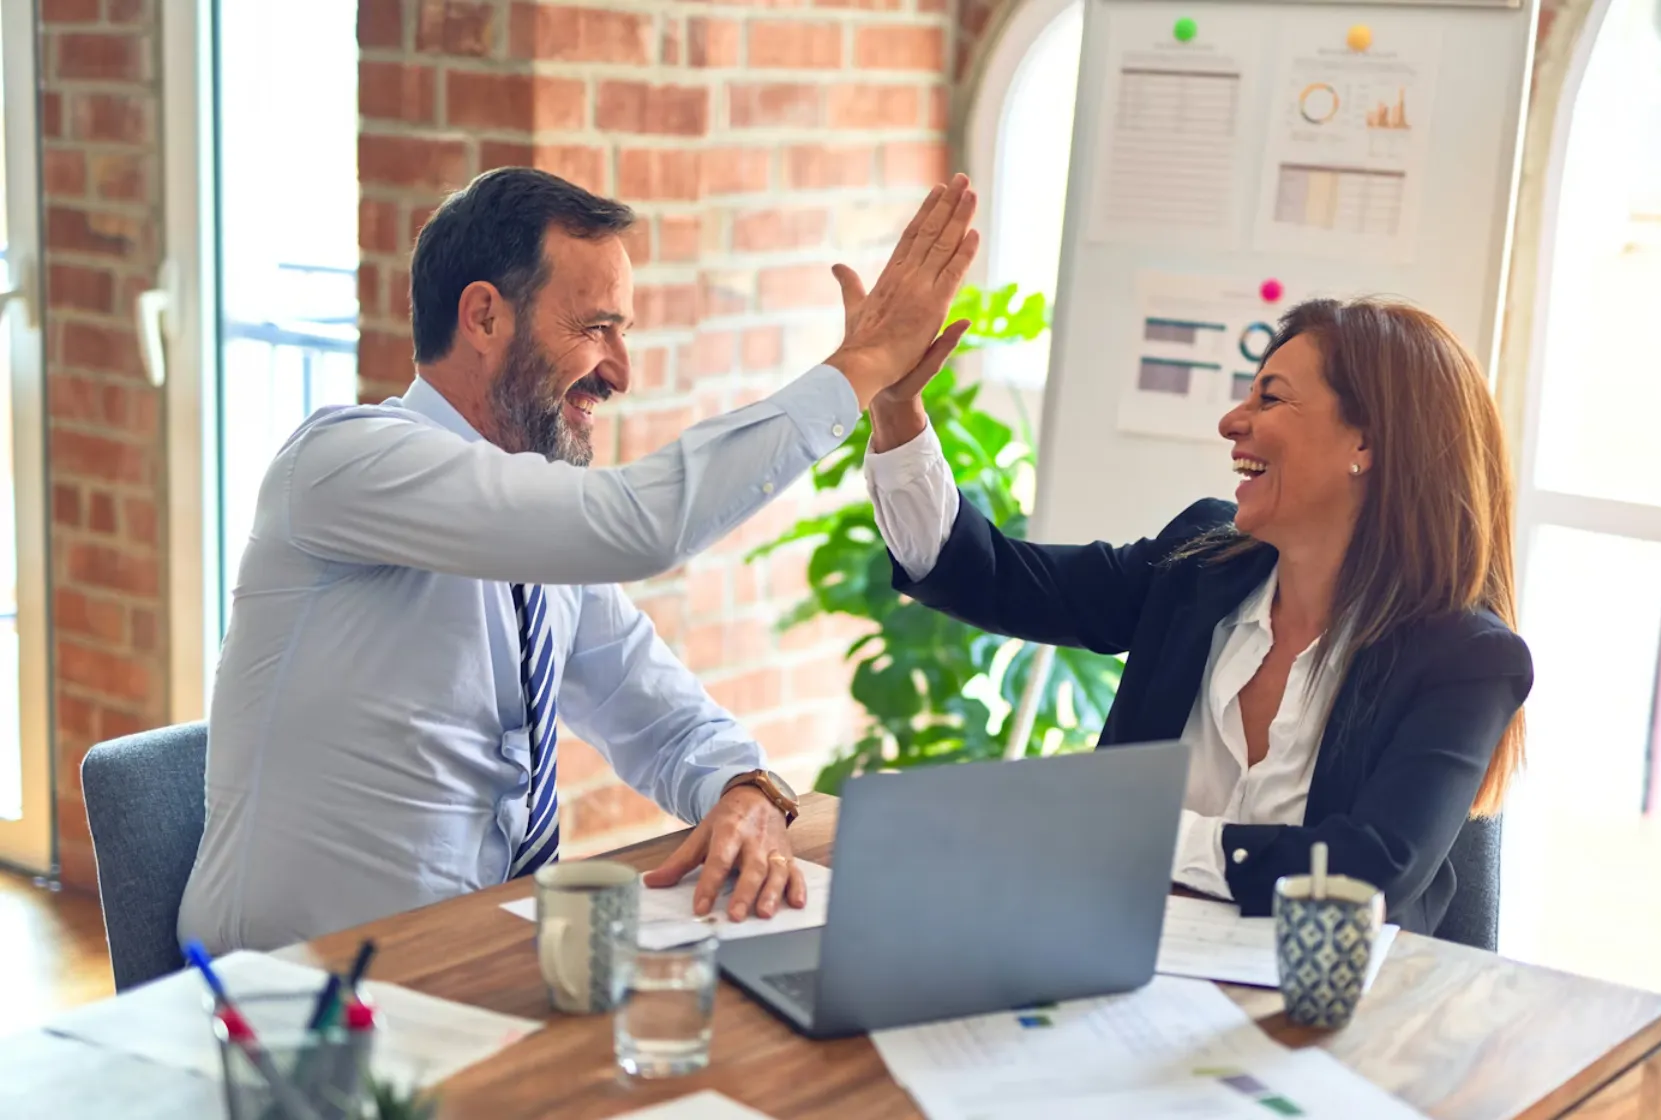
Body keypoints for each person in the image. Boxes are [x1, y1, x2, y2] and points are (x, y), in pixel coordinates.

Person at [179, 167, 979, 953]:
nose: (620, 372)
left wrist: (745, 789)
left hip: (474, 969)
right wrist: (864, 365)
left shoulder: (537, 537)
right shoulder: (345, 463)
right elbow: (641, 525)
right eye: (597, 327)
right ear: (485, 318)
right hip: (292, 1001)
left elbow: (660, 716)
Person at [862, 297, 1532, 935]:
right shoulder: (1200, 566)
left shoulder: (1466, 659)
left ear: (1367, 443)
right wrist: (897, 409)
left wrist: (1138, 832)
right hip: (1119, 966)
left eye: (1270, 397)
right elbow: (993, 579)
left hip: (1329, 1020)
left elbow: (1365, 876)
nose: (1232, 422)